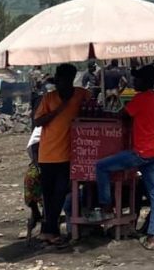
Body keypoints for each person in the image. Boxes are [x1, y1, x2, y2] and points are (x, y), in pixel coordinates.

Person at [95, 65, 154, 250]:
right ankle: (151, 237)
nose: (134, 82)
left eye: (137, 79)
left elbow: (122, 115)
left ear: (145, 81)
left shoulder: (140, 99)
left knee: (101, 166)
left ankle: (106, 206)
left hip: (140, 152)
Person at [34, 64, 91, 245]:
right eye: (59, 81)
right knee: (48, 196)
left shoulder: (82, 95)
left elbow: (91, 110)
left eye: (65, 81)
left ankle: (48, 230)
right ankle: (49, 231)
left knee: (59, 193)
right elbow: (38, 121)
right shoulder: (49, 99)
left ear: (71, 80)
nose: (61, 84)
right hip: (47, 155)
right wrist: (59, 109)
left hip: (67, 156)